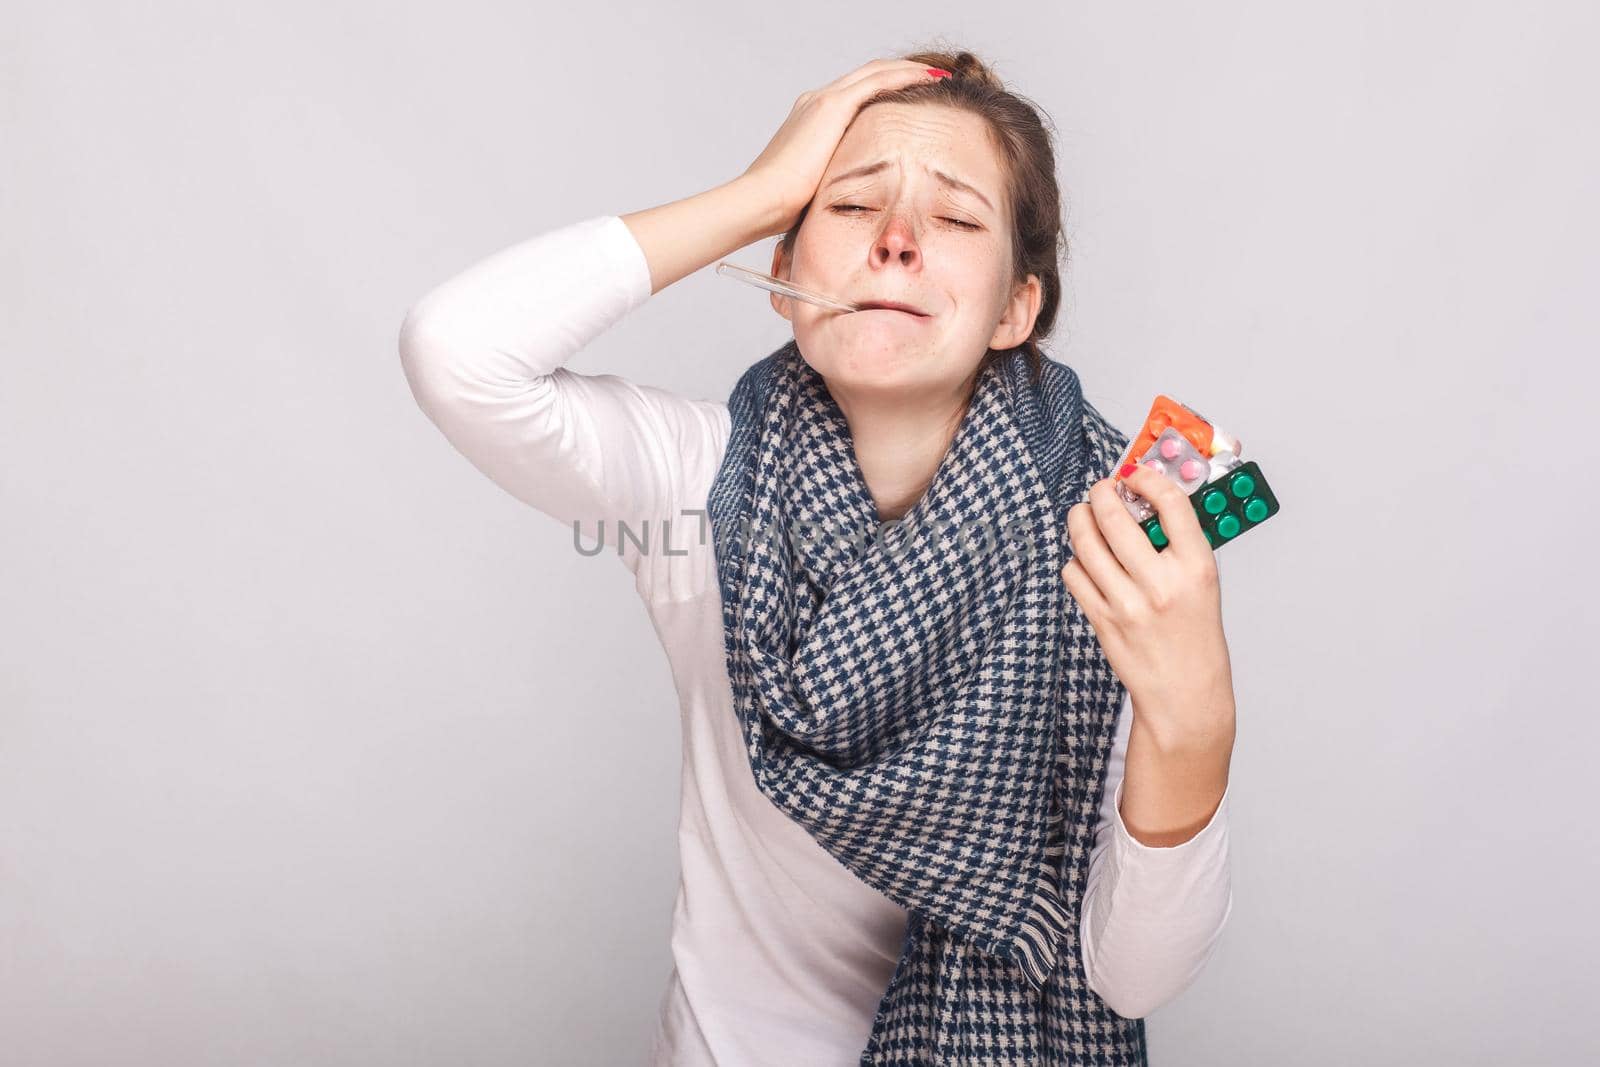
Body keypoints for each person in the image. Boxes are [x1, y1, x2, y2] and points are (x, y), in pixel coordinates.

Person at [400, 48, 1234, 1067]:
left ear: (1016, 308)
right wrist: (760, 193)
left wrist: (1193, 716)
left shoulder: (1116, 535)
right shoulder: (700, 480)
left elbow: (1130, 976)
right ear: (782, 276)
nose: (895, 240)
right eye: (846, 209)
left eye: (958, 219)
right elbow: (456, 350)